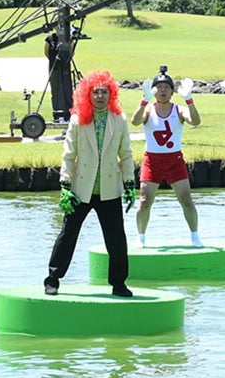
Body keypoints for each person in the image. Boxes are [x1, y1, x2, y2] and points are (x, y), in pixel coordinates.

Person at [44, 70, 137, 296]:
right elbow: (69, 154)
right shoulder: (78, 120)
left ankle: (118, 283)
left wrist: (129, 183)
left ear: (111, 94)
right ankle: (53, 278)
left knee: (116, 238)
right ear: (88, 94)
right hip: (81, 188)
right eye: (96, 92)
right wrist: (65, 184)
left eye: (104, 92)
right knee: (68, 234)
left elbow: (126, 154)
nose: (100, 96)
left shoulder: (120, 120)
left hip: (109, 188)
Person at [131, 66, 203, 248]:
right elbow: (135, 121)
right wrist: (142, 101)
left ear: (172, 92)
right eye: (159, 87)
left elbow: (195, 121)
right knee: (145, 200)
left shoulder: (178, 110)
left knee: (186, 199)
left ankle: (195, 236)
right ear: (153, 91)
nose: (163, 91)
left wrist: (189, 100)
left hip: (174, 161)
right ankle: (141, 238)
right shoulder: (149, 109)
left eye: (166, 88)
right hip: (152, 161)